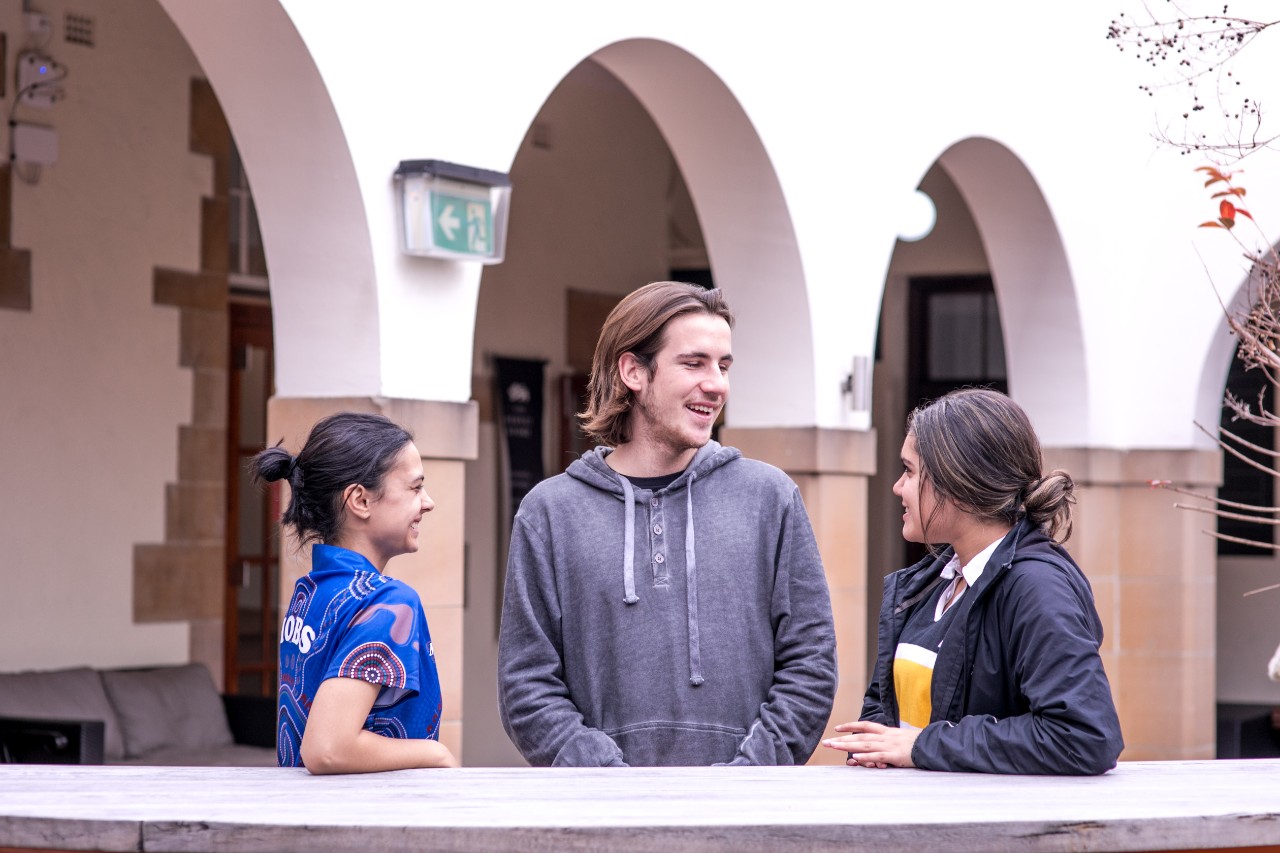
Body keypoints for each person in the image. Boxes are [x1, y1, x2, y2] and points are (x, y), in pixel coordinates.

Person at [498, 281, 837, 767]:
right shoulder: (549, 512)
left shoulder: (770, 498)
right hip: (602, 818)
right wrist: (607, 781)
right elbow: (526, 682)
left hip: (746, 811)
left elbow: (811, 662)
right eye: (693, 363)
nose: (717, 383)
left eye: (724, 366)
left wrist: (749, 776)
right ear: (634, 371)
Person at [822, 388, 1123, 775]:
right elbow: (892, 722)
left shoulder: (1037, 588)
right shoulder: (930, 583)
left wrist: (923, 746)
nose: (897, 487)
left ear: (956, 482)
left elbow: (1084, 736)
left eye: (910, 471)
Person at [254, 412, 458, 773]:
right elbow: (327, 749)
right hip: (368, 819)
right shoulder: (388, 603)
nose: (428, 502)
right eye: (415, 487)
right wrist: (435, 755)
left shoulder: (310, 593)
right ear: (360, 500)